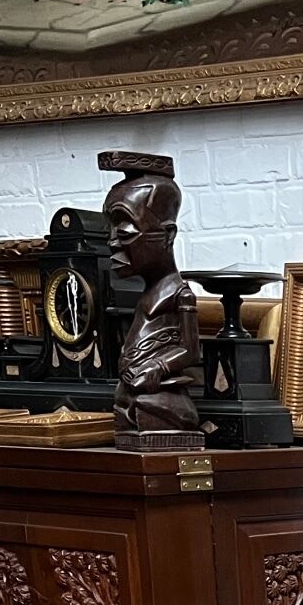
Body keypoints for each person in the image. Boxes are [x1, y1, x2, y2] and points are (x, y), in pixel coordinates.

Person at [101, 154, 202, 441]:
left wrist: (156, 369)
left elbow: (191, 351)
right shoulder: (144, 296)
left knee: (152, 406)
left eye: (124, 230)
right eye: (109, 229)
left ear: (168, 234)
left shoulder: (180, 295)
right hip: (132, 388)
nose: (112, 241)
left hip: (153, 391)